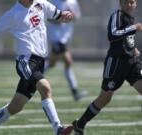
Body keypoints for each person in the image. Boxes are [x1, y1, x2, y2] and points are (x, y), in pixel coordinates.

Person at [0, 0, 75, 135]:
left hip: (39, 62)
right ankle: (58, 129)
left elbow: (59, 15)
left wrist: (66, 16)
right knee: (45, 88)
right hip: (25, 61)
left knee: (16, 106)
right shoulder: (13, 14)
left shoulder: (42, 4)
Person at [61, 0, 142, 134]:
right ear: (120, 3)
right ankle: (79, 125)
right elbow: (113, 34)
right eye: (125, 2)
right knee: (105, 98)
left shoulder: (130, 18)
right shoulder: (117, 15)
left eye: (131, 2)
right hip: (115, 63)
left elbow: (126, 39)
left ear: (135, 4)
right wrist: (133, 28)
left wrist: (132, 49)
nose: (129, 5)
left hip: (131, 63)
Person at [45, 0, 87, 101]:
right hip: (56, 37)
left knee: (52, 64)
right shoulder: (53, 1)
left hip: (64, 38)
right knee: (68, 61)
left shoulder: (73, 2)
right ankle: (75, 92)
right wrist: (60, 18)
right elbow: (46, 16)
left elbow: (77, 16)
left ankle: (32, 76)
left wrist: (71, 14)